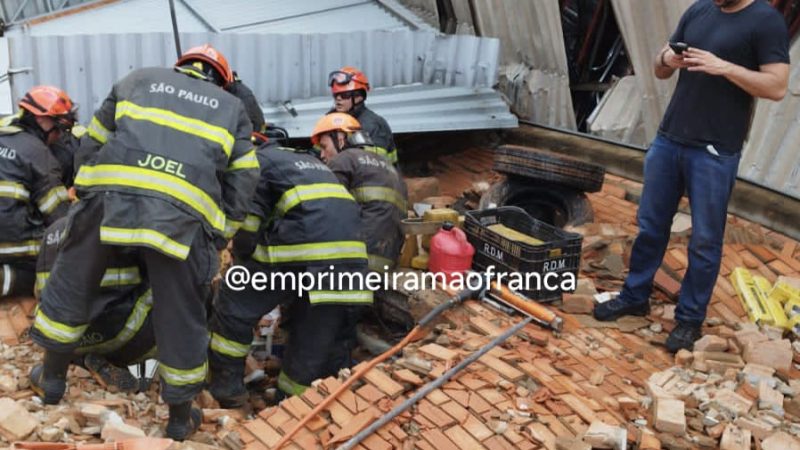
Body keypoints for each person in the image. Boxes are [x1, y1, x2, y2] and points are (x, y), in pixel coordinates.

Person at [29, 43, 258, 440]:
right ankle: (179, 419)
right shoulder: (230, 107)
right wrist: (221, 229)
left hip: (109, 195)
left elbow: (92, 142)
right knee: (181, 311)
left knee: (72, 281)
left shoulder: (137, 78)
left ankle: (51, 380)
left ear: (182, 66)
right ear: (222, 79)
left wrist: (87, 194)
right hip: (182, 215)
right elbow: (244, 175)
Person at [593, 0, 790, 353]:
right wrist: (666, 59)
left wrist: (723, 67)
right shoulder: (699, 11)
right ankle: (634, 295)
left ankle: (689, 320)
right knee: (651, 225)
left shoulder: (765, 21)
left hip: (715, 150)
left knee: (704, 240)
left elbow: (776, 86)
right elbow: (660, 68)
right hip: (670, 140)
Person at [208, 140, 372, 406]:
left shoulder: (255, 162)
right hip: (351, 261)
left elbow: (249, 226)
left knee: (234, 301)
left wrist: (239, 261)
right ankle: (291, 405)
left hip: (304, 252)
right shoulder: (312, 164)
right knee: (313, 334)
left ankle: (227, 390)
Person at [33, 216, 155, 393]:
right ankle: (141, 368)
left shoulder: (53, 230)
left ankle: (81, 359)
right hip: (124, 337)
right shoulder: (135, 224)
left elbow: (41, 293)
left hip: (65, 341)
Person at [0, 86, 73, 299]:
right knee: (58, 270)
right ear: (43, 120)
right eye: (58, 128)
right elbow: (60, 219)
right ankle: (10, 280)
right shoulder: (39, 155)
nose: (59, 136)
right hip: (14, 248)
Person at [312, 112, 407, 272]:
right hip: (387, 262)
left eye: (324, 147)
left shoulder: (344, 159)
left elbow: (325, 213)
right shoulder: (389, 167)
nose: (322, 155)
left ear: (340, 139)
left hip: (357, 262)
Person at [328, 66, 399, 166]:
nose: (338, 99)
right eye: (336, 95)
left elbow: (373, 165)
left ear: (359, 97)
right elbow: (320, 151)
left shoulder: (372, 125)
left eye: (344, 95)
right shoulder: (331, 120)